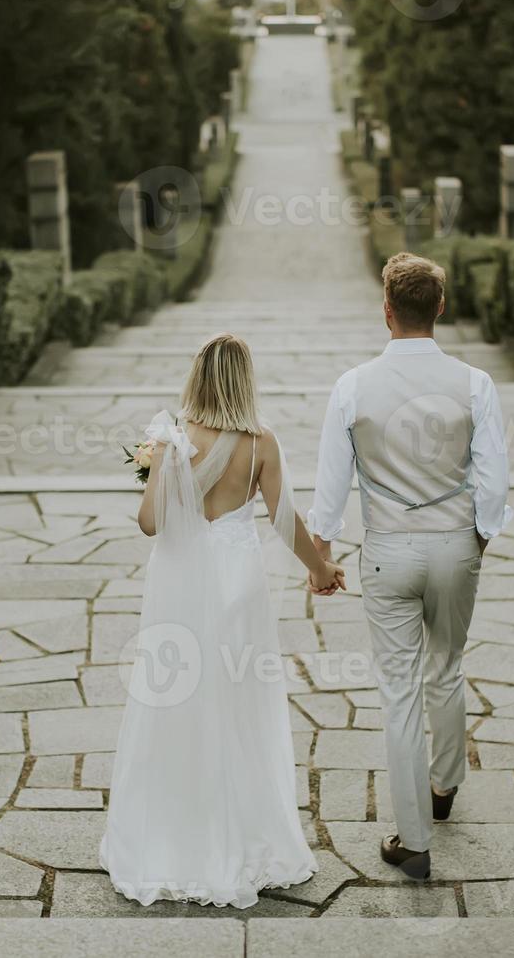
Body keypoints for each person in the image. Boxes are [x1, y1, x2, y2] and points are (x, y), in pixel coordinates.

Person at [100, 332, 343, 907]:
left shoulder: (172, 439)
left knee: (174, 699)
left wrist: (161, 469)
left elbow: (150, 524)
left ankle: (172, 836)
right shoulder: (261, 444)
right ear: (244, 380)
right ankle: (244, 837)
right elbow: (285, 520)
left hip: (180, 583)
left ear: (197, 378)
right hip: (236, 583)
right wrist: (322, 568)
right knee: (239, 703)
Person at [306, 252, 512, 879]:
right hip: (454, 545)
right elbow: (494, 481)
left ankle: (414, 840)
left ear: (387, 311)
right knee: (446, 666)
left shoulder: (352, 386)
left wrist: (323, 553)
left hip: (388, 551)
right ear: (440, 308)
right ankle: (445, 783)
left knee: (398, 694)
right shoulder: (475, 384)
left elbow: (330, 488)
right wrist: (479, 537)